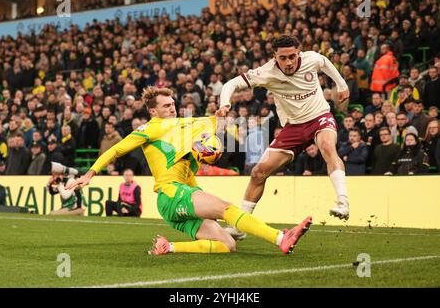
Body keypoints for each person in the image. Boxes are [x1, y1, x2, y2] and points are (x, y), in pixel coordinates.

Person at [67, 87, 312, 255]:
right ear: (153, 111)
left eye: (173, 104)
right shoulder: (151, 128)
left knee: (227, 244)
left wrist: (219, 118)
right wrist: (90, 173)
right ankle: (280, 238)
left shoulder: (185, 126)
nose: (172, 109)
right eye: (166, 106)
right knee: (226, 208)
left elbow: (209, 132)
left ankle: (169, 247)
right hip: (171, 194)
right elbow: (117, 150)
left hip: (177, 200)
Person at [217, 35, 350, 241]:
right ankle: (239, 226)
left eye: (292, 56)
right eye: (283, 58)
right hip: (293, 127)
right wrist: (225, 103)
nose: (288, 62)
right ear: (275, 57)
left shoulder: (311, 59)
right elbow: (230, 85)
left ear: (299, 53)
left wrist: (342, 85)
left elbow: (325, 62)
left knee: (326, 146)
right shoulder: (266, 72)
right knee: (258, 173)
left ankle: (342, 201)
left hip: (319, 117)